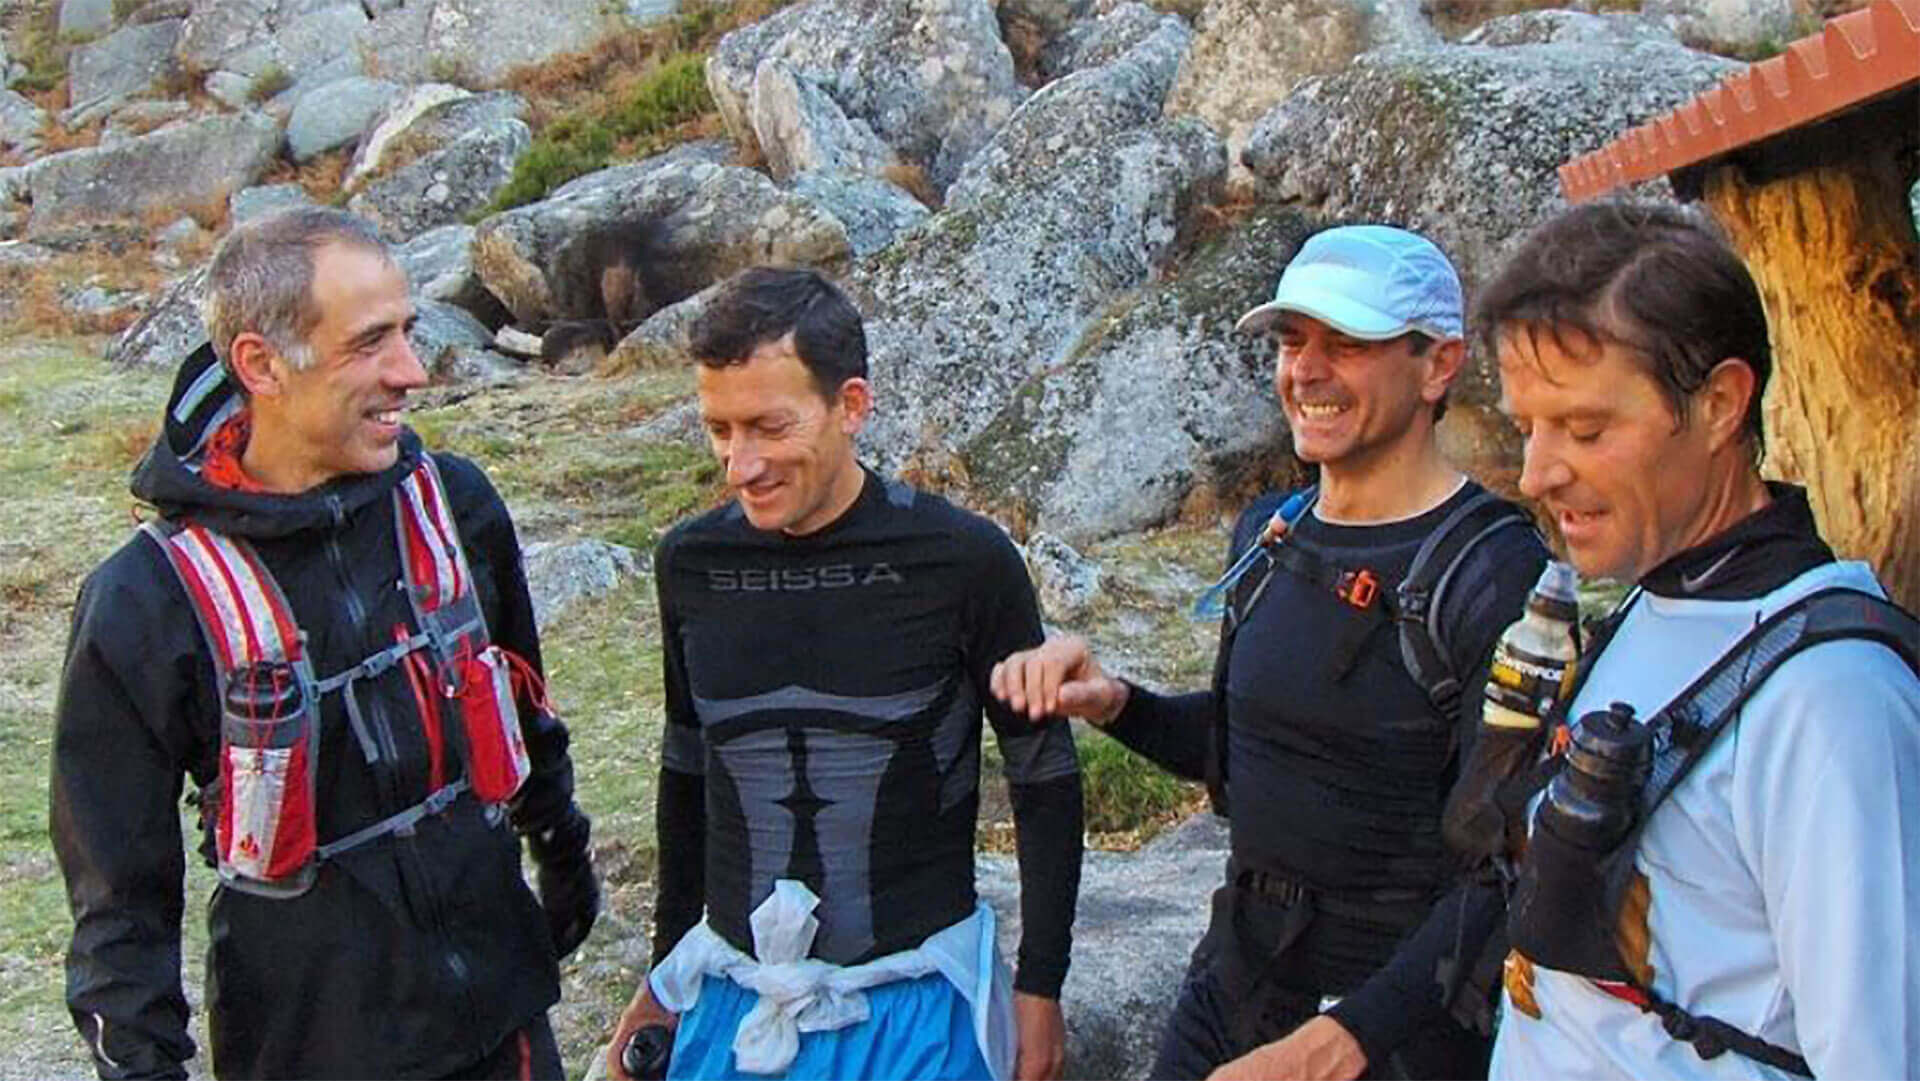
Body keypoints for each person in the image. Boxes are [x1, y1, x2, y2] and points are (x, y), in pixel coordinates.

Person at [49, 207, 599, 1080]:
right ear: (262, 364)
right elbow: (119, 904)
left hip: (505, 1017)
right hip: (308, 1044)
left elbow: (525, 703)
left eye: (408, 332)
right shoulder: (145, 600)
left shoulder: (454, 507)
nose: (412, 371)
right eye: (370, 342)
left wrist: (562, 850)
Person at [993, 224, 1548, 1080]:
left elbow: (1508, 866)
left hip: (1398, 1028)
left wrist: (1343, 1041)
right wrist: (1118, 702)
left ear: (1438, 364)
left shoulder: (1492, 570)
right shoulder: (1270, 533)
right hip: (1233, 983)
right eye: (1292, 341)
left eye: (1347, 344)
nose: (1305, 371)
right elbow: (1247, 752)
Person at [605, 267, 1084, 1081]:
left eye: (769, 426)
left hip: (917, 1013)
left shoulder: (965, 562)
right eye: (719, 428)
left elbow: (1044, 774)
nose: (739, 464)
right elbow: (686, 770)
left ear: (851, 406)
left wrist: (1040, 984)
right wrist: (664, 973)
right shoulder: (690, 564)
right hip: (733, 1003)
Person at [1479, 202, 1920, 1078]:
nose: (1535, 474)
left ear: (1720, 403)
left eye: (1586, 428)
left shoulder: (1833, 701)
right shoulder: (1649, 606)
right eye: (1528, 427)